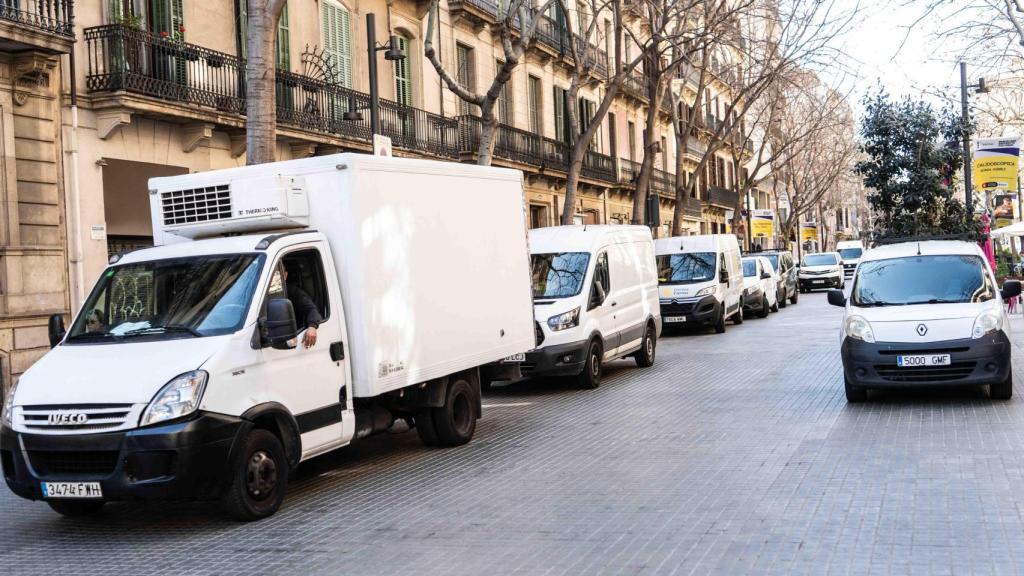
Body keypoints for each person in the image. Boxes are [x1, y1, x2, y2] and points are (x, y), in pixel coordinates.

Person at [283, 261, 323, 348]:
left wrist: (312, 327)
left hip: (294, 342)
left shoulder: (293, 292)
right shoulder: (260, 294)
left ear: (285, 275)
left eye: (277, 274)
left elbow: (312, 310)